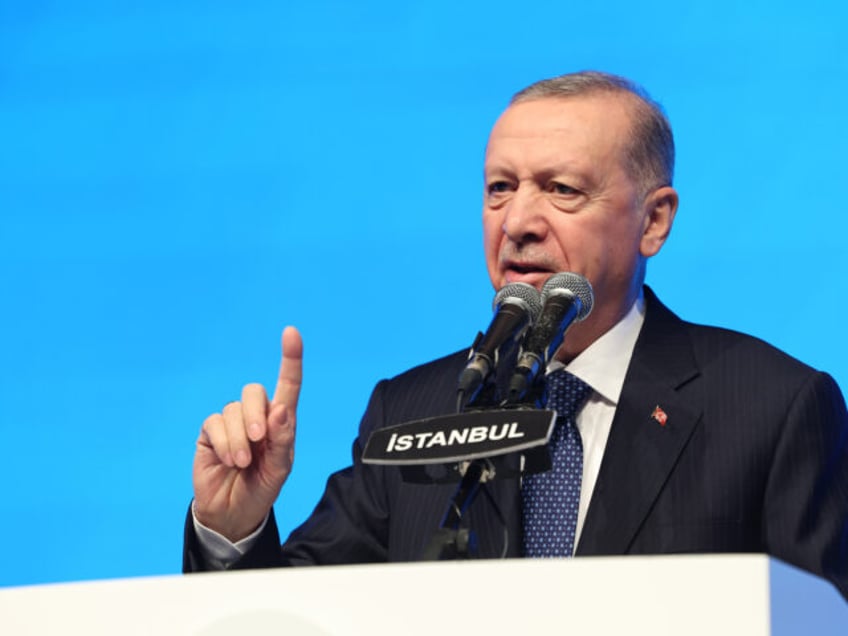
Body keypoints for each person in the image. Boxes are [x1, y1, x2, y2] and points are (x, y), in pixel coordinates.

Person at [183, 71, 848, 598]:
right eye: (500, 188)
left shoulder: (771, 408)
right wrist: (232, 529)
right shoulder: (416, 409)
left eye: (561, 189)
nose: (518, 221)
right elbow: (291, 619)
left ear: (654, 221)